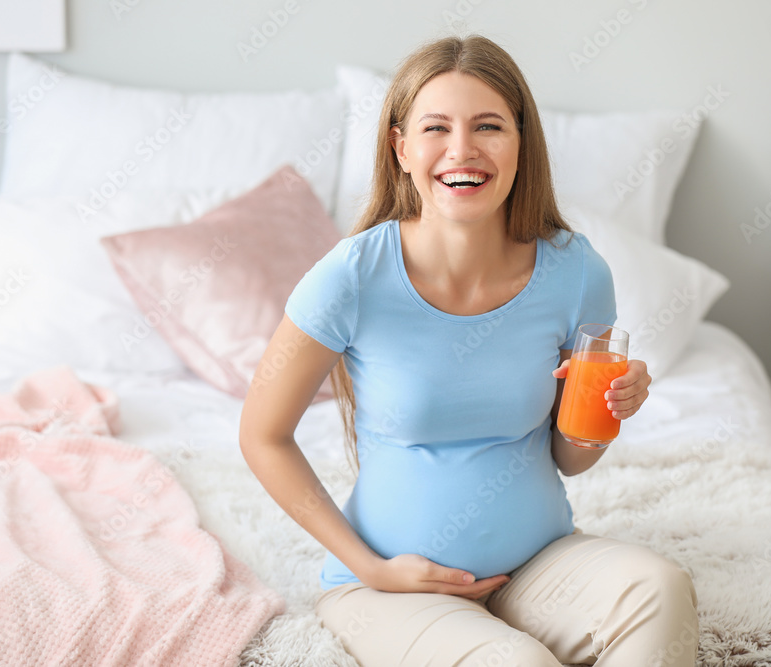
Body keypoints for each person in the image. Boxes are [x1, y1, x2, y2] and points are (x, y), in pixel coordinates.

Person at [240, 34, 699, 667]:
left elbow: (570, 459)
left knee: (660, 588)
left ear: (520, 144)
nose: (463, 150)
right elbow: (263, 435)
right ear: (401, 148)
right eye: (436, 128)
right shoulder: (349, 276)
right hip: (395, 586)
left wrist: (604, 416)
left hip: (537, 564)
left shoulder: (576, 272)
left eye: (489, 126)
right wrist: (370, 567)